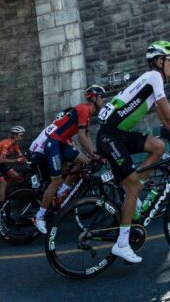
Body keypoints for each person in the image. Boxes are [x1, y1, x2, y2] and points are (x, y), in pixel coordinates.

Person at [96, 40, 170, 264]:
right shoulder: (154, 77)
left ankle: (135, 191)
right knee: (132, 187)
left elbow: (164, 117)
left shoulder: (152, 82)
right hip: (110, 137)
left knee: (158, 146)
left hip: (118, 135)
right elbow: (169, 114)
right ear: (160, 61)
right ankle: (122, 243)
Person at [34, 86, 105, 234]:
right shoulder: (84, 109)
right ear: (94, 98)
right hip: (53, 143)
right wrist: (94, 155)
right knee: (56, 180)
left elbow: (87, 137)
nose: (103, 100)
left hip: (62, 143)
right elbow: (81, 137)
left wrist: (94, 154)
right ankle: (39, 216)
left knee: (83, 162)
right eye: (101, 97)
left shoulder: (88, 115)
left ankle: (62, 193)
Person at [0, 126, 27, 205]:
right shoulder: (7, 143)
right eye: (21, 135)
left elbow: (21, 156)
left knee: (18, 177)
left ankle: (2, 192)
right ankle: (1, 207)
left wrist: (28, 162)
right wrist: (16, 160)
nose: (22, 137)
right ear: (15, 135)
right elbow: (1, 160)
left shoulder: (15, 144)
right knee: (3, 183)